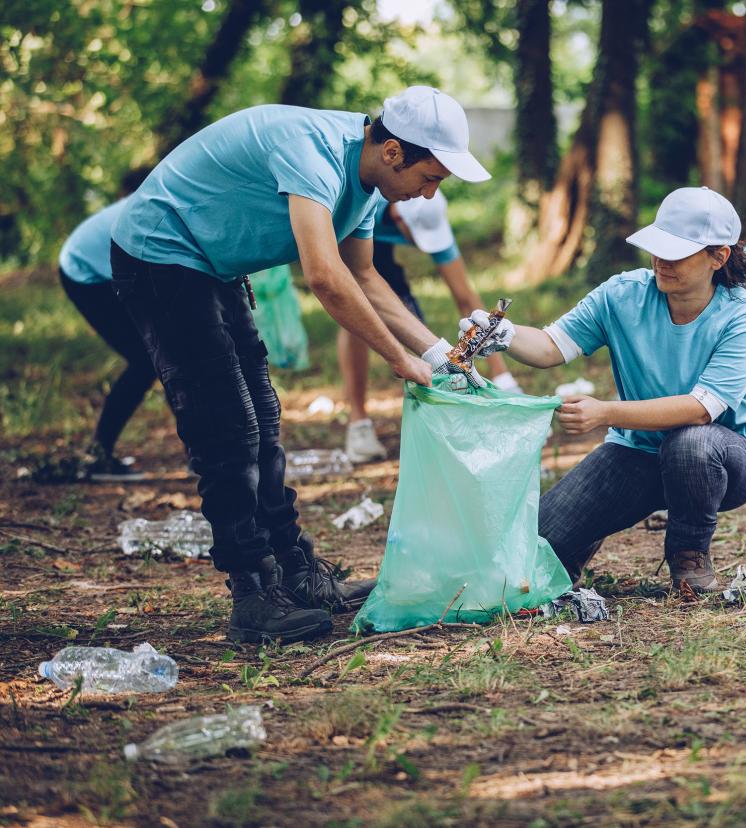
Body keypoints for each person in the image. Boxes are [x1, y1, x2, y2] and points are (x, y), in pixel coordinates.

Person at [110, 86, 491, 644]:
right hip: (159, 252)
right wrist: (398, 358)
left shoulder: (367, 184)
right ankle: (253, 596)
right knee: (227, 424)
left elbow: (363, 276)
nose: (431, 195)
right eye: (430, 178)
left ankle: (296, 572)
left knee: (262, 413)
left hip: (211, 263)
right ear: (393, 153)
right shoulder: (312, 152)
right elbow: (324, 277)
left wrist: (437, 355)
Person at [471, 187, 746, 594]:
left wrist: (605, 412)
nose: (662, 261)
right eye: (657, 247)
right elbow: (551, 346)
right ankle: (573, 553)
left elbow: (702, 409)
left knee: (690, 443)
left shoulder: (742, 315)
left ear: (717, 257)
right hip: (637, 454)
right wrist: (503, 333)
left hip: (725, 459)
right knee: (535, 545)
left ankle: (689, 554)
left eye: (677, 253)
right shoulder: (622, 295)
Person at [338, 189, 520, 463]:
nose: (424, 247)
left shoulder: (432, 216)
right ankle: (358, 423)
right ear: (399, 218)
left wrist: (502, 377)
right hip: (359, 236)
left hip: (383, 238)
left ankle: (432, 419)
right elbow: (348, 287)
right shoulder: (365, 204)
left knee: (413, 320)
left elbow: (466, 298)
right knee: (357, 312)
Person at [57, 168, 156, 482]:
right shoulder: (152, 211)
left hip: (102, 266)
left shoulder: (164, 203)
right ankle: (99, 456)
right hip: (84, 271)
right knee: (147, 360)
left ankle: (201, 450)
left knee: (163, 354)